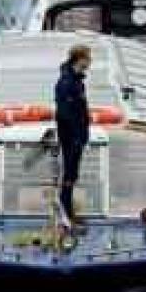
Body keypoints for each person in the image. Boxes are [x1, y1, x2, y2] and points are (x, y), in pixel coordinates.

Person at [54, 45, 92, 223]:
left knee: (72, 174)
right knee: (69, 174)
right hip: (71, 137)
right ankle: (66, 211)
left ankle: (67, 210)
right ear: (80, 59)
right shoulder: (66, 83)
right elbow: (65, 113)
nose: (90, 62)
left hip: (77, 135)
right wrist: (76, 136)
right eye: (88, 58)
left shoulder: (77, 81)